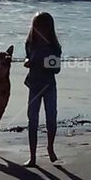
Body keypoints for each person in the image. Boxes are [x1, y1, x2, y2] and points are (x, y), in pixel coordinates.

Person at [23, 11, 61, 166]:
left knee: (51, 118)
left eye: (42, 28)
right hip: (34, 84)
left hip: (49, 85)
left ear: (49, 29)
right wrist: (27, 61)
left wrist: (41, 63)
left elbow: (56, 69)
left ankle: (50, 147)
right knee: (32, 119)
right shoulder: (30, 43)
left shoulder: (53, 47)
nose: (39, 31)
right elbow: (27, 56)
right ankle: (32, 156)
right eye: (36, 27)